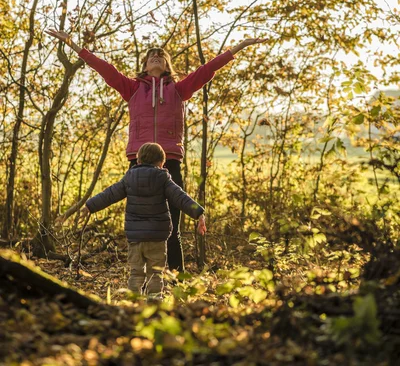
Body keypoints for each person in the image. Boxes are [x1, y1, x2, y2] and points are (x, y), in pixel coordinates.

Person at [46, 28, 265, 270]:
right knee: (139, 224)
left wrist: (238, 48)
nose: (156, 57)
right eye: (152, 56)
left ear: (168, 64)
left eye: (161, 55)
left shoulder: (179, 90)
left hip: (169, 161)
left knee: (172, 227)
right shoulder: (133, 89)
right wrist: (75, 45)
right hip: (138, 162)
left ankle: (176, 278)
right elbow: (105, 69)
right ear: (145, 66)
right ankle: (141, 278)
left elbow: (207, 71)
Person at [82, 142, 206, 298]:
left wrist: (89, 206)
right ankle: (154, 302)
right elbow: (181, 198)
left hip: (135, 238)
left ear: (138, 160)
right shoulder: (163, 178)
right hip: (157, 238)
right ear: (162, 163)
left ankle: (133, 302)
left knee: (136, 273)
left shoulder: (129, 178)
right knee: (155, 273)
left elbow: (109, 194)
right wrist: (199, 213)